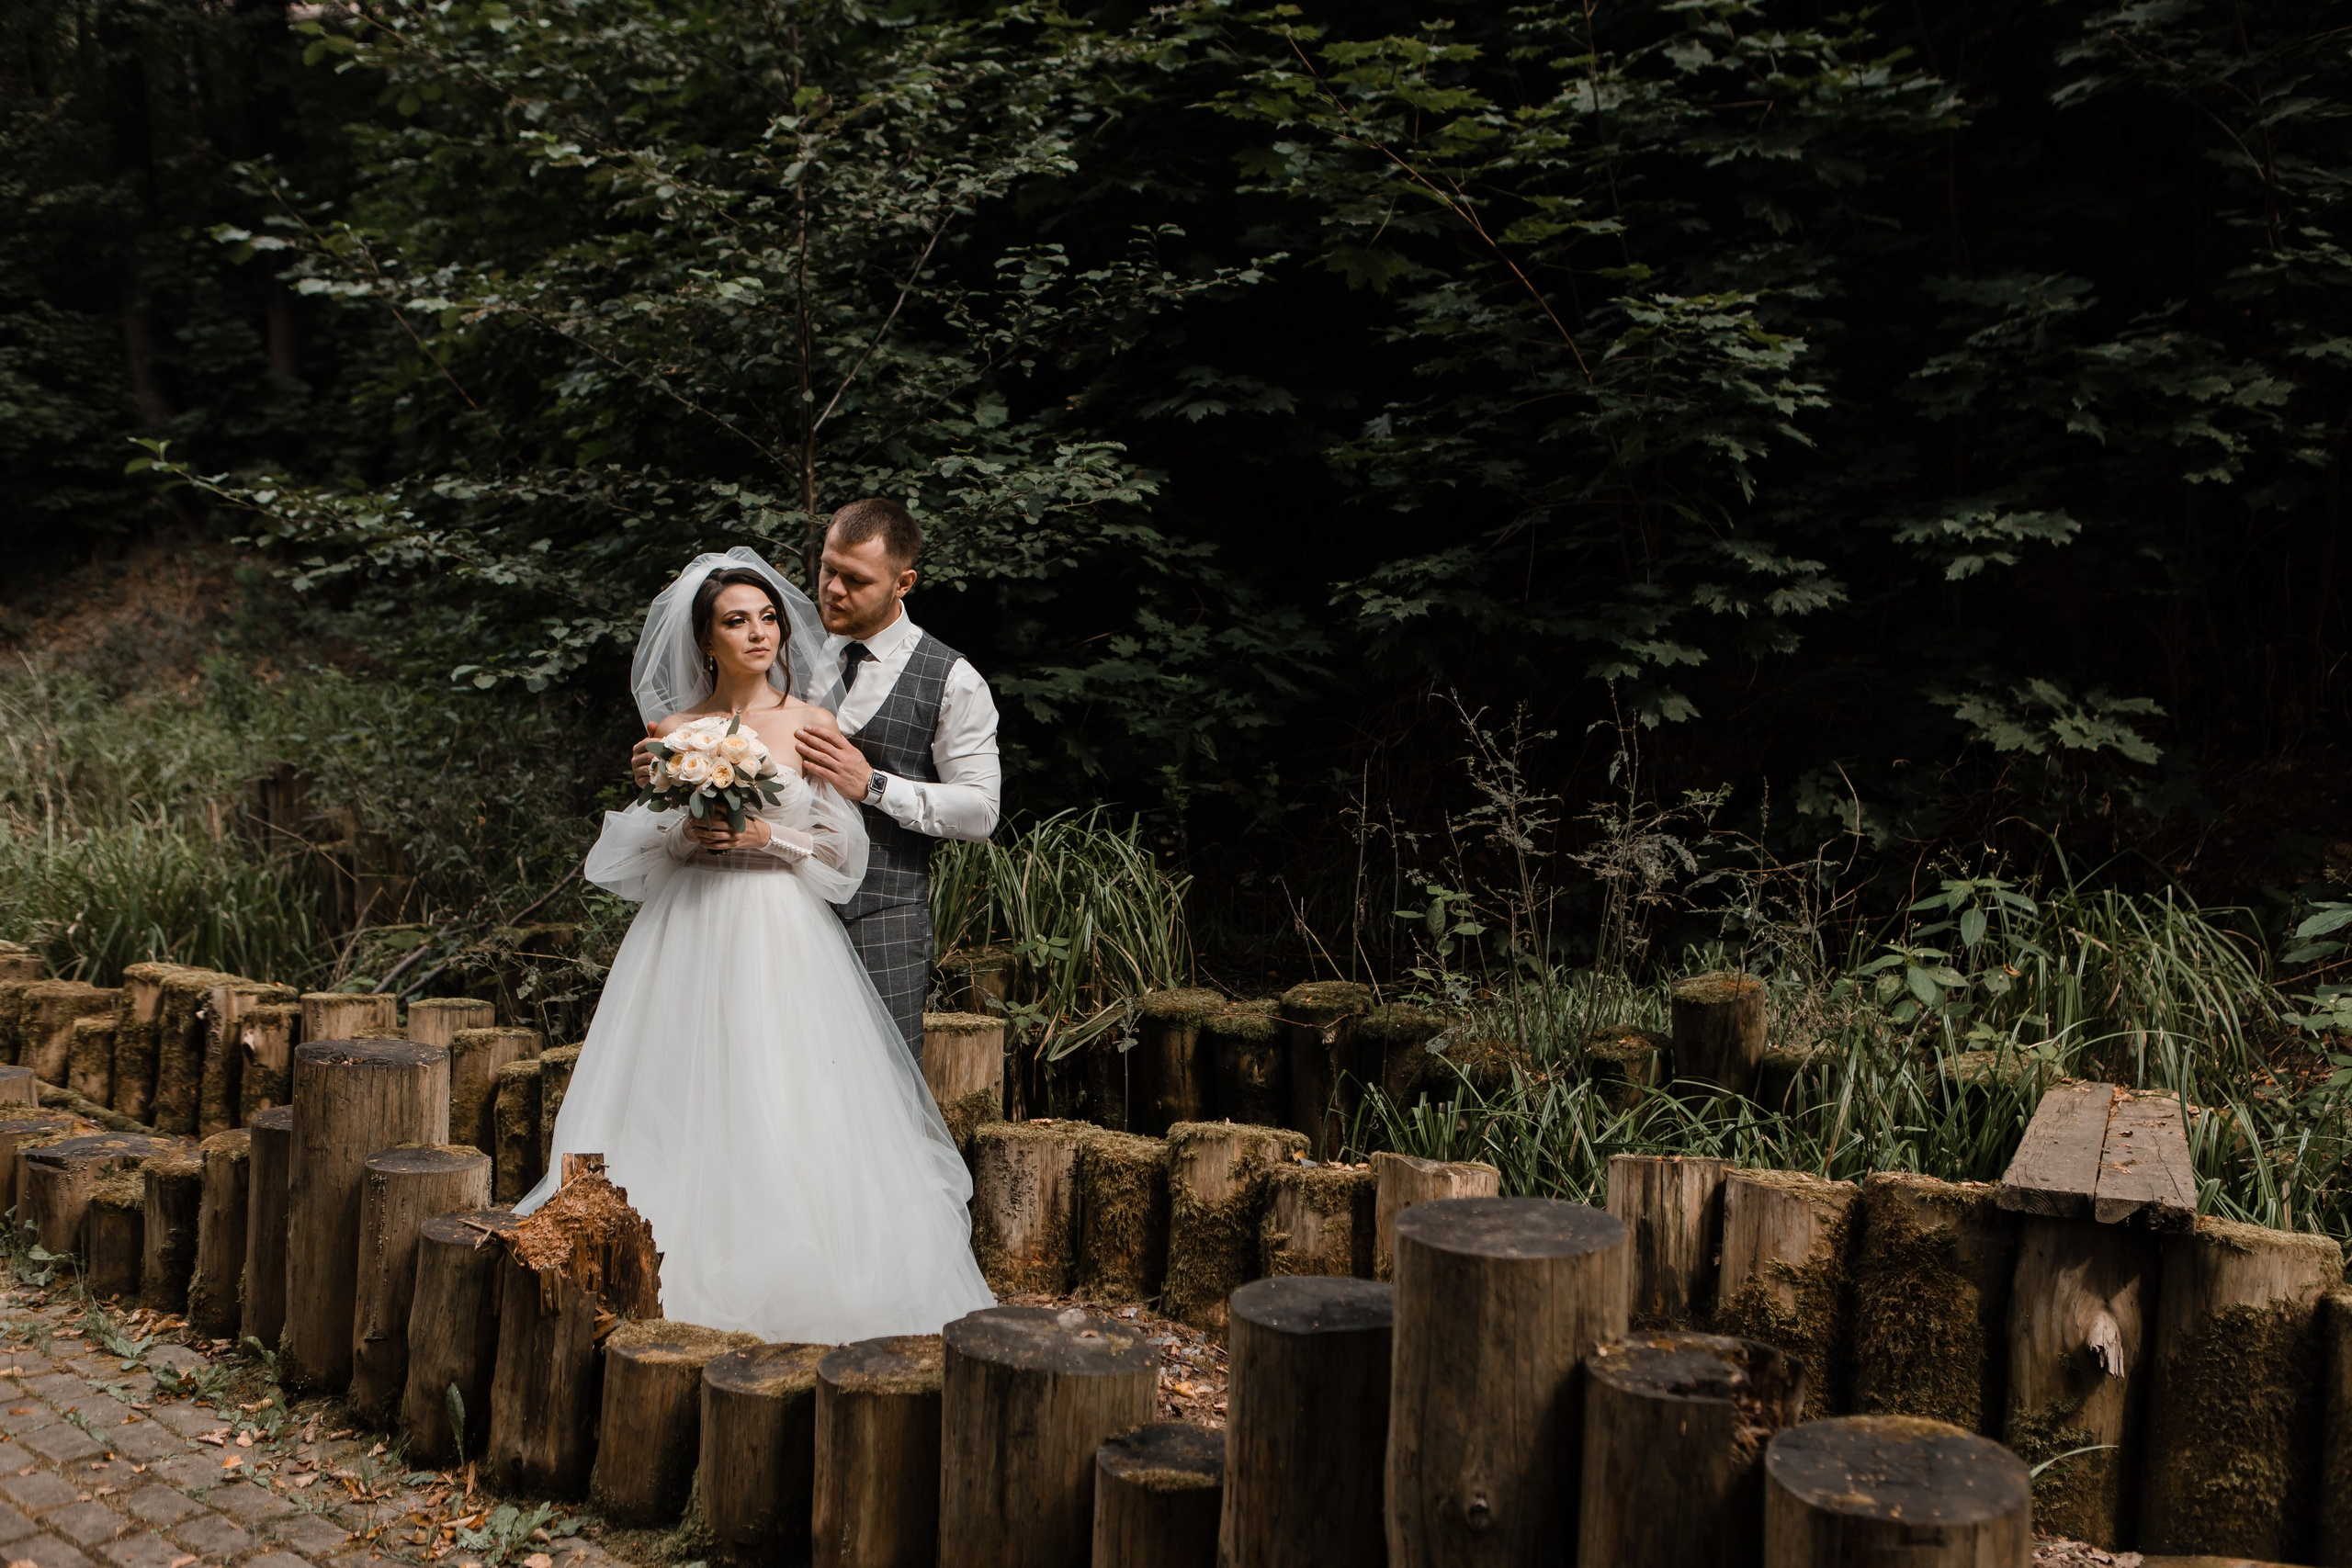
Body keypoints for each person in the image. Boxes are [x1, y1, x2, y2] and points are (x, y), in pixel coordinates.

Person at [521, 547, 995, 1341]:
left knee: (781, 1084)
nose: (760, 632)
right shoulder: (670, 731)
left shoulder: (812, 721)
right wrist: (686, 834)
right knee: (678, 1082)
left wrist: (763, 837)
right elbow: (643, 848)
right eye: (736, 621)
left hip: (780, 928)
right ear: (705, 639)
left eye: (769, 616)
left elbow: (844, 854)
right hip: (688, 926)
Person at [636, 499, 1001, 1057]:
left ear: (903, 582)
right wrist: (669, 766)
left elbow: (981, 812)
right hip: (761, 916)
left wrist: (874, 784)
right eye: (828, 569)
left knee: (880, 1080)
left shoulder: (954, 680)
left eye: (855, 580)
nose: (832, 590)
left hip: (880, 915)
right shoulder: (783, 649)